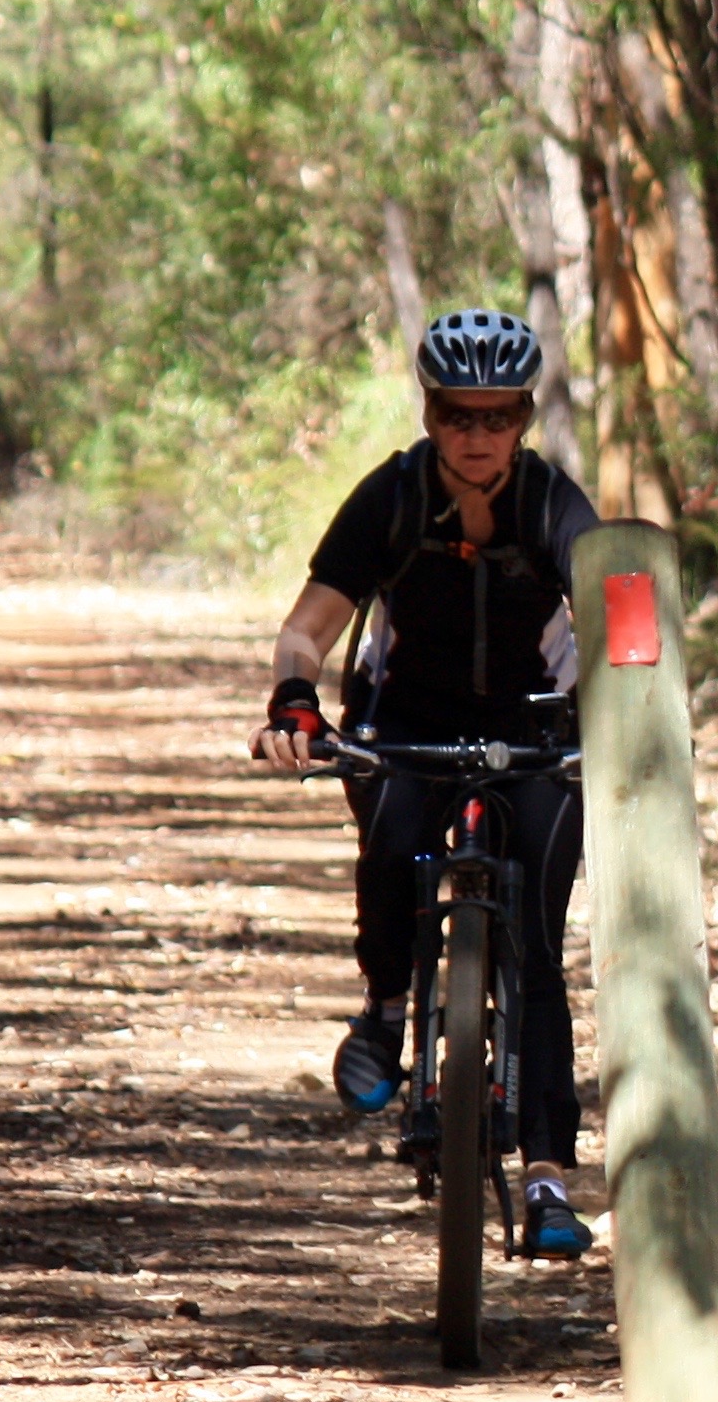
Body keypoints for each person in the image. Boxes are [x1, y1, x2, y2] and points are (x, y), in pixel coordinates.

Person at [257, 310, 604, 1258]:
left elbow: (614, 618)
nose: (477, 435)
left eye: (499, 416)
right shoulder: (393, 497)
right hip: (404, 721)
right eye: (458, 415)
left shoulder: (551, 504)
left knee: (538, 945)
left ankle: (547, 1178)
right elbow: (308, 628)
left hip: (534, 731)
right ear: (429, 412)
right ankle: (384, 1006)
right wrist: (295, 702)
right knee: (393, 844)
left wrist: (632, 719)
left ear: (525, 417)